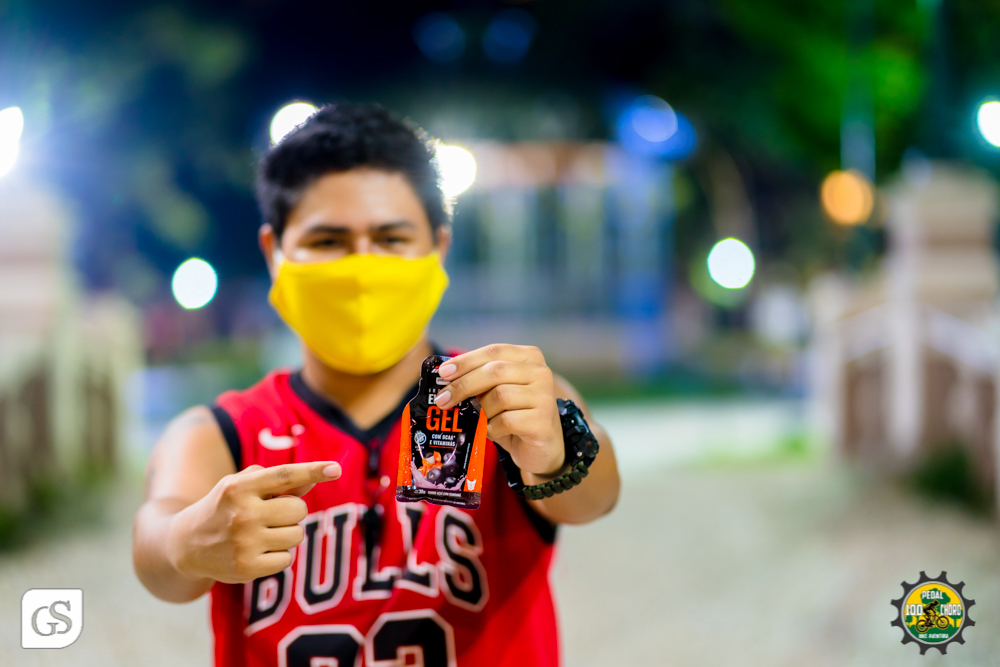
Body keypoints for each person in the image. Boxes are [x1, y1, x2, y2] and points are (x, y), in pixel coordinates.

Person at [132, 102, 620, 667]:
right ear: (275, 253)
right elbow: (157, 550)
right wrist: (186, 542)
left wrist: (559, 449)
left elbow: (595, 497)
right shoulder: (222, 432)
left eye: (391, 238)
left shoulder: (505, 396)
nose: (362, 266)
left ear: (438, 247)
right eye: (329, 241)